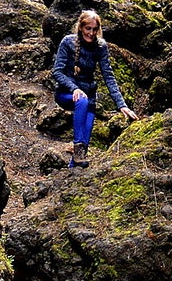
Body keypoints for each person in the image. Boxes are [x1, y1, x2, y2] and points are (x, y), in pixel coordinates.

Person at [53, 9, 138, 167]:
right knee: (81, 100)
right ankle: (77, 147)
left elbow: (108, 76)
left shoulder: (100, 46)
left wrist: (122, 105)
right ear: (80, 27)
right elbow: (57, 72)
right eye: (88, 29)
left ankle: (72, 175)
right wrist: (74, 89)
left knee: (83, 154)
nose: (91, 33)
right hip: (66, 94)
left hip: (89, 98)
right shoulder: (68, 42)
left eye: (94, 29)